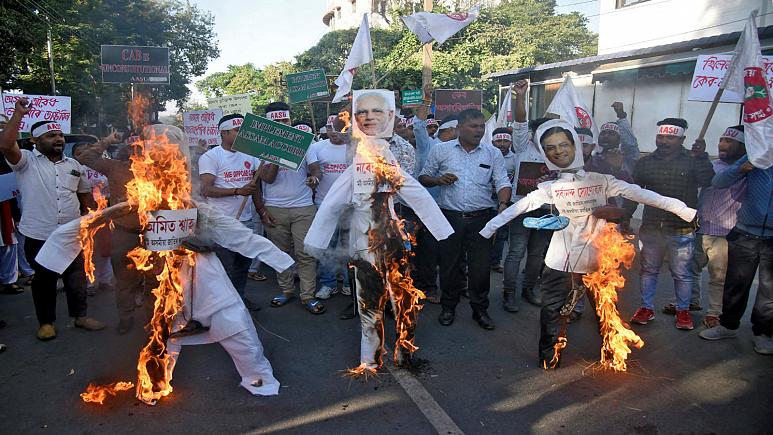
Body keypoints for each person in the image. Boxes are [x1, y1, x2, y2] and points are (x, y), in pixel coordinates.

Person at [480, 119, 696, 368]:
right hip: (560, 262)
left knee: (605, 309)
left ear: (574, 145)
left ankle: (613, 351)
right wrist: (487, 230)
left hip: (597, 261)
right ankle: (549, 356)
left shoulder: (601, 180)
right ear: (546, 154)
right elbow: (518, 208)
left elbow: (644, 195)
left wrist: (685, 211)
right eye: (551, 148)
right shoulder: (551, 187)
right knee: (552, 311)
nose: (558, 151)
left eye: (563, 144)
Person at [304, 122, 453, 372]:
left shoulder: (392, 172)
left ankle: (403, 353)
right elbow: (330, 205)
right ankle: (370, 359)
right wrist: (315, 243)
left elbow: (420, 197)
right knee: (369, 304)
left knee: (403, 299)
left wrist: (442, 231)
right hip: (364, 246)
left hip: (392, 241)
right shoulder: (353, 173)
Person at [0, 97, 104, 341]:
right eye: (50, 135)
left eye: (59, 134)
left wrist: (95, 216)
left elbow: (84, 197)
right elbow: (6, 145)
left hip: (71, 231)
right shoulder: (25, 161)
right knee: (44, 280)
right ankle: (46, 323)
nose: (58, 138)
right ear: (35, 141)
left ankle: (80, 316)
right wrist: (18, 115)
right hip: (39, 233)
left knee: (75, 277)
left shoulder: (74, 165)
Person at [419, 108, 512, 330]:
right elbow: (423, 177)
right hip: (449, 217)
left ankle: (480, 309)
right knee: (450, 266)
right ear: (459, 128)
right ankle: (448, 307)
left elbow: (502, 182)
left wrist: (503, 204)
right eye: (473, 126)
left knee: (480, 269)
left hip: (482, 218)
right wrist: (439, 181)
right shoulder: (441, 151)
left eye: (481, 126)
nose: (479, 130)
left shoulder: (492, 153)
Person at [630, 118, 715, 330]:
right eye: (661, 136)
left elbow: (708, 181)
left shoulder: (694, 160)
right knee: (648, 270)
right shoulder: (645, 163)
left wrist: (703, 156)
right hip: (651, 228)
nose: (664, 141)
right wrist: (624, 216)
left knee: (682, 273)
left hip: (682, 229)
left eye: (670, 137)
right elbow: (632, 193)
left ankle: (683, 311)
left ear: (682, 139)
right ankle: (646, 308)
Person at [698, 146, 773, 354]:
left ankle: (763, 334)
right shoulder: (758, 154)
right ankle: (728, 326)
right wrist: (741, 169)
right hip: (745, 233)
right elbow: (718, 182)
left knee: (769, 291)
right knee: (735, 284)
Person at [259, 102, 323, 314]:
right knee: (281, 254)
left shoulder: (306, 144)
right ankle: (286, 291)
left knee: (305, 254)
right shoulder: (260, 146)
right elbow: (266, 179)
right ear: (268, 123)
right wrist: (278, 153)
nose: (282, 124)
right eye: (276, 121)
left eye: (285, 120)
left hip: (303, 208)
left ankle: (307, 295)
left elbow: (315, 170)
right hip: (275, 209)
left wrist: (314, 178)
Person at [198, 114, 263, 311]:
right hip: (221, 223)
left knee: (243, 265)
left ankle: (240, 299)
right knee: (224, 267)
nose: (242, 135)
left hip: (245, 221)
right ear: (224, 132)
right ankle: (222, 307)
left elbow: (255, 185)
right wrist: (236, 191)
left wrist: (261, 209)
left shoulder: (250, 155)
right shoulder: (211, 157)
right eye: (238, 131)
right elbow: (206, 190)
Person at [500, 81, 551, 313]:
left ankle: (528, 289)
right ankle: (508, 293)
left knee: (537, 254)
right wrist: (521, 97)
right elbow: (519, 122)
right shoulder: (523, 146)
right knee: (516, 252)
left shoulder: (560, 154)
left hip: (548, 211)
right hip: (522, 208)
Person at [690, 126, 746, 329]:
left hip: (725, 233)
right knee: (690, 270)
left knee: (718, 276)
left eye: (729, 142)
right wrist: (699, 157)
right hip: (701, 228)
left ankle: (714, 312)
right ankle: (690, 302)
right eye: (722, 140)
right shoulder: (712, 165)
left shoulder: (744, 171)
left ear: (743, 147)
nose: (723, 144)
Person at [306, 115, 352, 300]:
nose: (333, 132)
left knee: (349, 246)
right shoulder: (317, 148)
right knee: (327, 245)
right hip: (324, 204)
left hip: (350, 206)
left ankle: (350, 283)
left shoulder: (356, 148)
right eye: (329, 128)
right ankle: (328, 283)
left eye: (337, 128)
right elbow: (311, 170)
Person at [71, 142, 115, 295]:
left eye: (87, 151)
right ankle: (90, 282)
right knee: (88, 248)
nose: (84, 154)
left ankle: (105, 280)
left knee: (105, 247)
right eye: (79, 152)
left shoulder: (104, 166)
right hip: (84, 213)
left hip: (106, 211)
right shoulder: (74, 169)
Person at [490, 126, 517, 274]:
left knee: (501, 233)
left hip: (505, 201)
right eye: (498, 140)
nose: (502, 144)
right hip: (486, 200)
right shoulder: (487, 155)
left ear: (511, 142)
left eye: (505, 141)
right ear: (492, 142)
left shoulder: (515, 159)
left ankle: (495, 261)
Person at [595, 102, 641, 175]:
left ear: (619, 139)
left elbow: (630, 145)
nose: (606, 136)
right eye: (603, 133)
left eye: (611, 134)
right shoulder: (594, 158)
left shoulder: (627, 157)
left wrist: (621, 116)